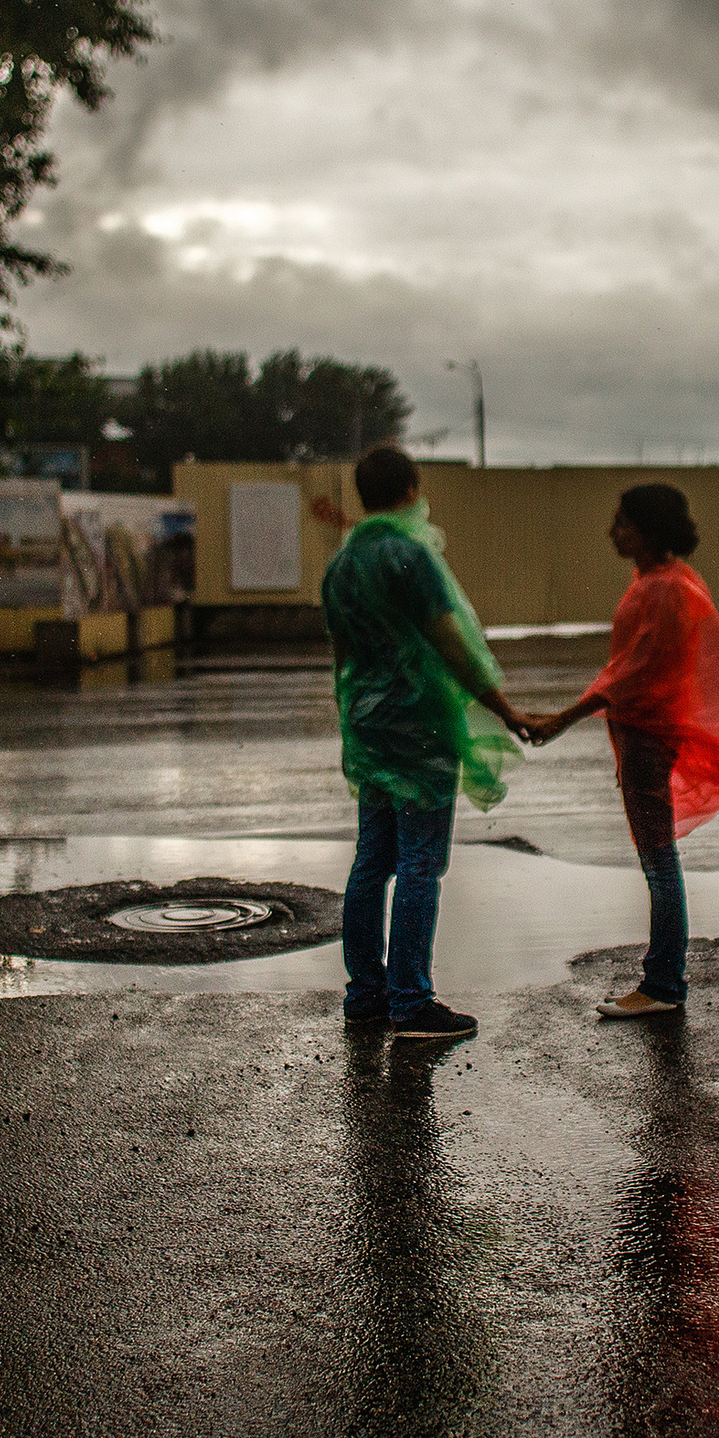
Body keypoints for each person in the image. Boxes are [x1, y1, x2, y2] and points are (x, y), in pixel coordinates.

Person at [523, 484, 719, 1018]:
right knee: (658, 858)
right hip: (647, 734)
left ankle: (662, 986)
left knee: (658, 861)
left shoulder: (663, 589)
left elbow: (635, 673)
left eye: (623, 524)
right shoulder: (664, 582)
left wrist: (563, 718)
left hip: (650, 735)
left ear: (648, 532)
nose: (614, 533)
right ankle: (662, 981)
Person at [323, 446, 537, 1043]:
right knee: (420, 862)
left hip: (369, 728)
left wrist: (354, 723)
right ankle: (412, 1001)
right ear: (413, 488)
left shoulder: (341, 567)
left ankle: (365, 993)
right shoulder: (410, 559)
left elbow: (341, 663)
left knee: (372, 861)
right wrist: (503, 709)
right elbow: (451, 642)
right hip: (420, 728)